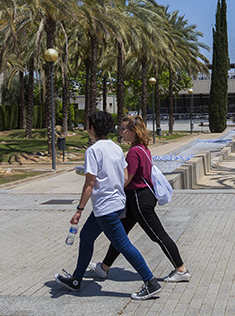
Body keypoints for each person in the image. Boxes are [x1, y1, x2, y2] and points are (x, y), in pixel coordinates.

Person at [54, 111, 161, 300]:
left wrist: (79, 210)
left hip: (105, 207)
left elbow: (89, 184)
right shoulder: (115, 147)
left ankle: (150, 282)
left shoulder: (93, 151)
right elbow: (124, 173)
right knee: (87, 236)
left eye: (88, 126)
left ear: (92, 128)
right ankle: (77, 279)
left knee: (123, 244)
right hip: (116, 202)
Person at [89, 115, 191, 283]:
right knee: (120, 235)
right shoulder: (143, 148)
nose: (121, 133)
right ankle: (104, 267)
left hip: (139, 200)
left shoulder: (134, 152)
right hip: (138, 198)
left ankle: (181, 269)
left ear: (133, 131)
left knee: (157, 235)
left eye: (123, 130)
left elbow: (125, 180)